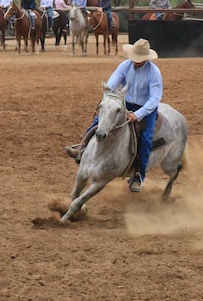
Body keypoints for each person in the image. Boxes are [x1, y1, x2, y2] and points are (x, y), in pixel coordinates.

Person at [64, 38, 163, 193]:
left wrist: (138, 114)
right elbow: (111, 85)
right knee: (100, 121)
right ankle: (82, 149)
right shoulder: (124, 66)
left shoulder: (154, 72)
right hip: (124, 104)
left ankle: (138, 175)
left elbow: (155, 98)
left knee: (146, 138)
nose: (135, 61)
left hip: (145, 109)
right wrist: (110, 98)